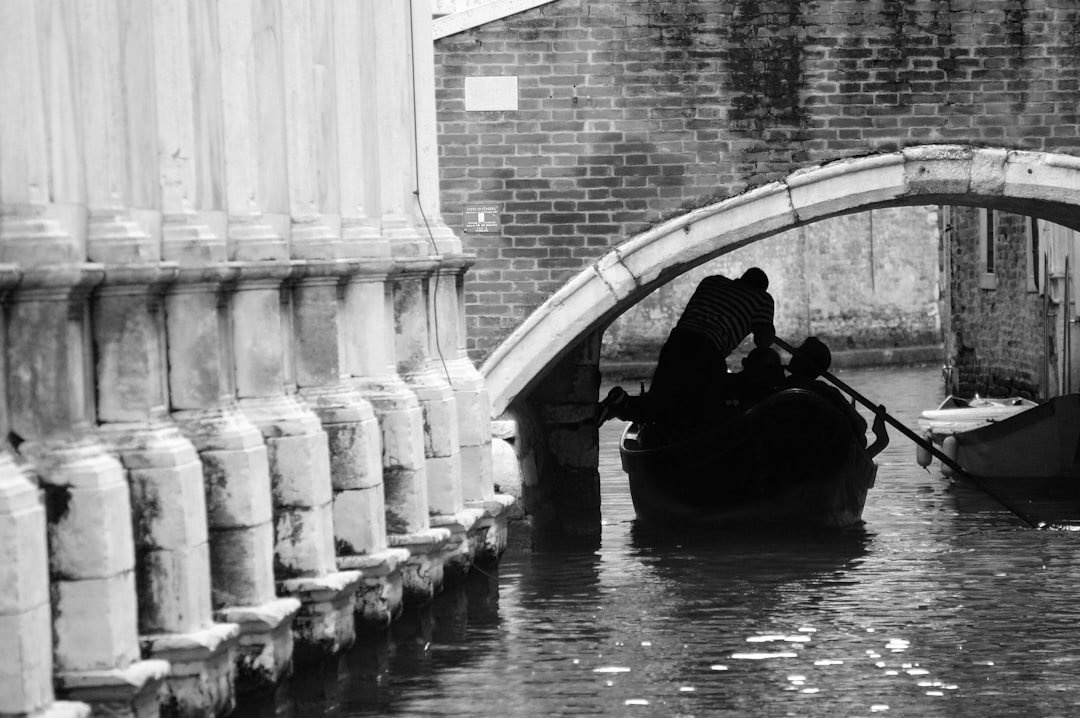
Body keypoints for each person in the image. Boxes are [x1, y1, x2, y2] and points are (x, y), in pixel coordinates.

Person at [597, 267, 776, 426]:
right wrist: (762, 326)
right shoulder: (763, 299)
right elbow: (763, 343)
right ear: (762, 289)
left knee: (659, 402)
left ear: (740, 278)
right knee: (711, 412)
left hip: (677, 342)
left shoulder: (711, 282)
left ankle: (621, 403)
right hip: (708, 351)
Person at [783, 336, 889, 459]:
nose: (792, 355)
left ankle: (881, 441)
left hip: (817, 457)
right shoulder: (827, 392)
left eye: (796, 353)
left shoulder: (780, 386)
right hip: (802, 455)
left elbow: (859, 426)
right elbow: (860, 426)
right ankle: (881, 441)